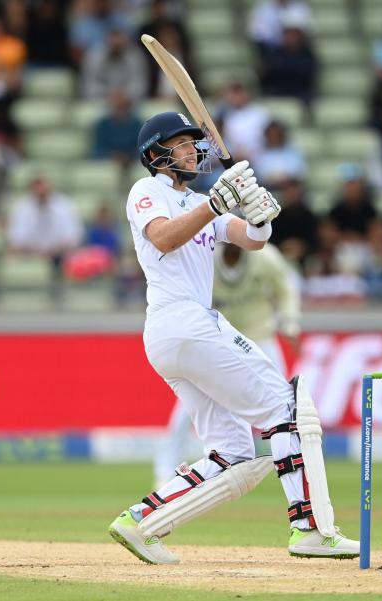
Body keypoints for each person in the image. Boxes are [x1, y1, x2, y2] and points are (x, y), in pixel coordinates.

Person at [110, 111, 357, 564]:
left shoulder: (202, 201)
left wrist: (259, 218)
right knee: (285, 408)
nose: (192, 151)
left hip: (179, 332)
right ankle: (311, 529)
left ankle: (140, 522)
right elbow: (164, 239)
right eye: (181, 144)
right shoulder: (146, 191)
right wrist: (215, 204)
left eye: (192, 143)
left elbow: (250, 240)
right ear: (156, 155)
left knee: (233, 452)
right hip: (181, 320)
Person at [154, 242, 301, 486]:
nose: (235, 247)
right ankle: (164, 472)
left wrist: (290, 322)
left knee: (284, 402)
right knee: (187, 407)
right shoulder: (206, 259)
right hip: (219, 339)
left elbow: (286, 289)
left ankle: (294, 467)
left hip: (260, 335)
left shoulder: (266, 258)